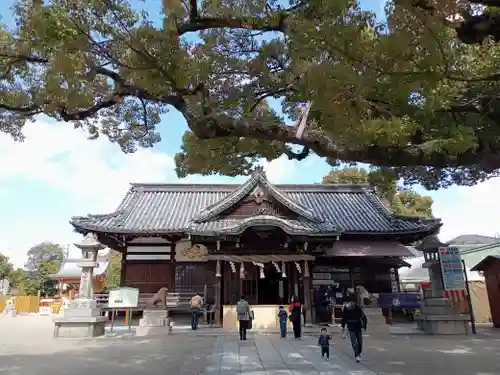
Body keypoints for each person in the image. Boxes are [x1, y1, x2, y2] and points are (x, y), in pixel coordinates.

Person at [341, 297, 367, 363]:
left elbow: (364, 317)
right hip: (351, 327)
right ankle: (357, 355)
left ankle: (358, 352)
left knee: (360, 342)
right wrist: (342, 326)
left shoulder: (358, 308)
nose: (351, 304)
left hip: (358, 326)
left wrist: (364, 326)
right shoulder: (346, 308)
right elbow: (344, 318)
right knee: (354, 343)